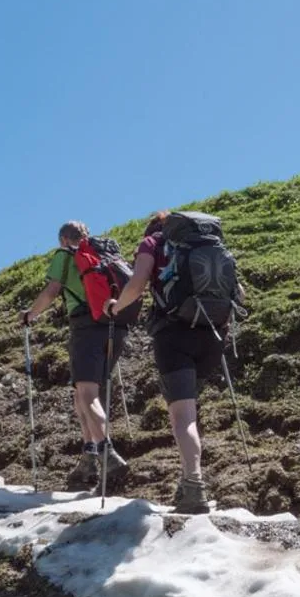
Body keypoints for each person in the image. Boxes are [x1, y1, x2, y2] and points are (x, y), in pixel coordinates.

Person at [106, 211, 235, 514]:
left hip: (174, 334)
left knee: (183, 416)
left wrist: (116, 306)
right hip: (213, 335)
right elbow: (236, 291)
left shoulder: (153, 242)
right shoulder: (208, 244)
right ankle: (187, 481)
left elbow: (137, 285)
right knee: (189, 412)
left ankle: (193, 486)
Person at [19, 221, 130, 488]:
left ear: (63, 239)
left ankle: (107, 451)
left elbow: (52, 290)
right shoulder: (106, 256)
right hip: (116, 325)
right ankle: (89, 455)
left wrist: (30, 314)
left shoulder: (66, 255)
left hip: (86, 325)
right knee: (82, 392)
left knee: (87, 392)